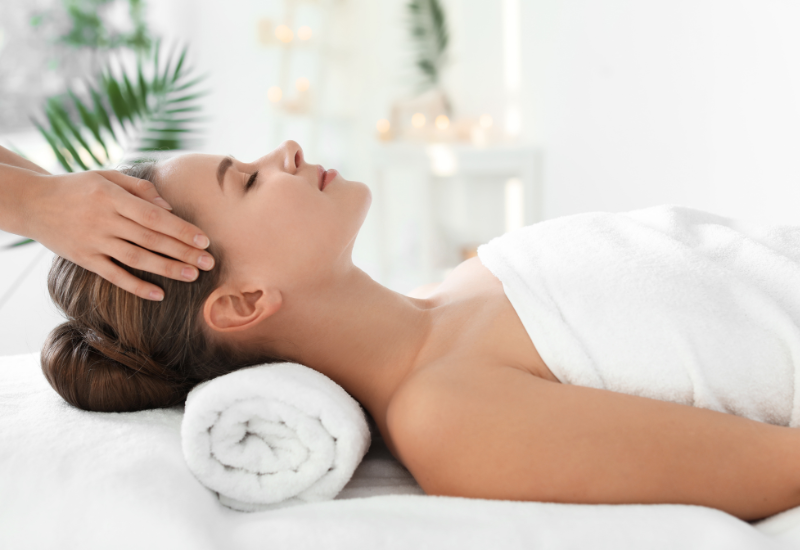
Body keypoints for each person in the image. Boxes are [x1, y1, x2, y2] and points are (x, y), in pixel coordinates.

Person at [3, 140, 800, 522]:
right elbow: (779, 470)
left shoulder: (458, 285)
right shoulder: (449, 416)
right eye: (245, 180)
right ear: (243, 304)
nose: (283, 151)